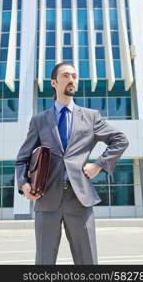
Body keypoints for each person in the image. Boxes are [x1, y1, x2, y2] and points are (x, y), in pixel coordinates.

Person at [15, 63, 129, 265]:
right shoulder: (39, 120)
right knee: (44, 262)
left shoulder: (91, 117)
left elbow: (120, 139)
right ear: (54, 82)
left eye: (75, 76)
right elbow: (22, 159)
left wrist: (99, 164)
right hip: (46, 197)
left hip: (80, 200)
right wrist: (24, 185)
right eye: (66, 75)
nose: (72, 80)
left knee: (87, 261)